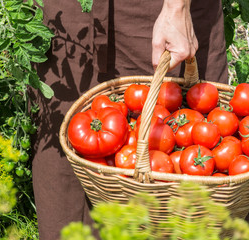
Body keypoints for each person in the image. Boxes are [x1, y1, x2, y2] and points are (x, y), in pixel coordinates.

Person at [31, 0, 228, 239]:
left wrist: (177, 8)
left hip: (154, 12)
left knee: (173, 196)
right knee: (64, 165)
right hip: (67, 16)